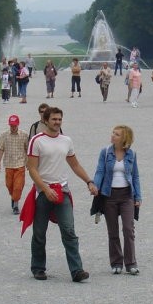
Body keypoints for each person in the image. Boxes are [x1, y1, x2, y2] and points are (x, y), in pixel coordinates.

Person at [25, 107, 98, 282]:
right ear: (46, 120)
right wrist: (44, 187)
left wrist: (89, 181)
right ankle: (38, 267)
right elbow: (32, 168)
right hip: (43, 192)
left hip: (62, 191)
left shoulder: (66, 141)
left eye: (59, 119)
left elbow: (74, 165)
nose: (57, 122)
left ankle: (76, 270)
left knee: (69, 230)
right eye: (54, 119)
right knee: (39, 232)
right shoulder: (37, 141)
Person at [93, 125, 142, 275]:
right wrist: (95, 186)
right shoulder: (106, 152)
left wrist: (138, 196)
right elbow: (100, 171)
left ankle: (131, 263)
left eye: (117, 134)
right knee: (112, 231)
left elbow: (135, 176)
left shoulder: (131, 154)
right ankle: (116, 262)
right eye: (113, 133)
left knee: (128, 229)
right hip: (109, 195)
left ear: (124, 138)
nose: (113, 136)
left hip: (127, 195)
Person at [0, 114, 29, 215]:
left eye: (15, 125)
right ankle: (14, 197)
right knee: (9, 184)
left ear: (18, 124)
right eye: (11, 125)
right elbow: (1, 149)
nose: (13, 127)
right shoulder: (4, 135)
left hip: (20, 164)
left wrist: (29, 162)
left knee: (18, 186)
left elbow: (27, 149)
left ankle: (15, 204)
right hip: (9, 164)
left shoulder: (24, 135)